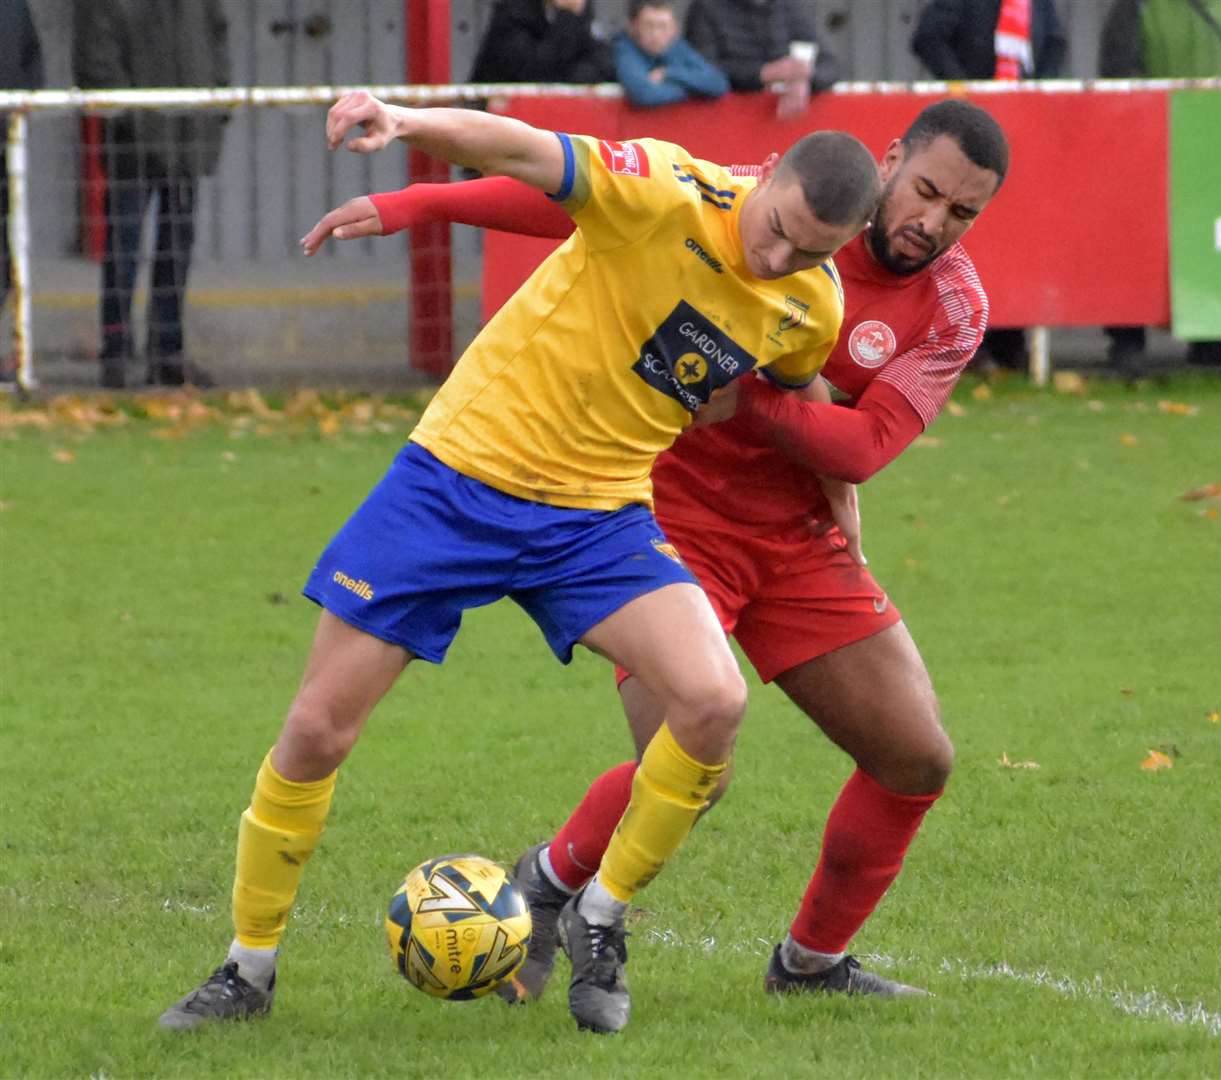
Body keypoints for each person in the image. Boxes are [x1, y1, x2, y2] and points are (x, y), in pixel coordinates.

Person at [160, 93, 880, 1035]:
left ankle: (597, 914)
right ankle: (245, 973)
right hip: (454, 484)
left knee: (714, 703)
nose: (780, 258)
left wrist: (843, 510)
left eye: (812, 251)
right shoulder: (662, 189)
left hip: (597, 517)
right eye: (779, 229)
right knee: (315, 733)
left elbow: (785, 392)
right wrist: (407, 121)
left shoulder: (808, 304)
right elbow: (526, 151)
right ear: (768, 171)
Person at [303, 99, 1009, 1005]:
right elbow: (570, 198)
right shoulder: (767, 199)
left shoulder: (953, 305)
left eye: (961, 213)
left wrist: (747, 402)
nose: (931, 223)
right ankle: (549, 886)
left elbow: (867, 448)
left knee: (918, 758)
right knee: (691, 759)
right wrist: (422, 206)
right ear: (889, 160)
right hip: (661, 516)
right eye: (924, 193)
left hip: (796, 539)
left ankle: (809, 965)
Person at [71, 0, 230, 390]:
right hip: (133, 142)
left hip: (188, 135)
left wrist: (216, 106)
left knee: (176, 249)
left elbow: (218, 42)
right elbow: (94, 60)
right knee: (123, 249)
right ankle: (117, 353)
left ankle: (167, 353)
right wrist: (135, 119)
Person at [911, 0, 1064, 373]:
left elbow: (1057, 41)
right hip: (971, 136)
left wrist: (1035, 93)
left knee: (1019, 236)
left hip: (1024, 133)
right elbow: (927, 38)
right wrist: (968, 93)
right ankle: (969, 342)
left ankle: (1010, 342)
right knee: (967, 234)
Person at [1100, 0, 1221, 373]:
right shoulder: (1134, 8)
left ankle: (1208, 335)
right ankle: (1128, 338)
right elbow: (1120, 78)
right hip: (1145, 147)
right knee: (1136, 243)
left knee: (1205, 239)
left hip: (1207, 150)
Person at [683, 0, 843, 120]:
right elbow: (701, 71)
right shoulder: (706, 7)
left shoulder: (787, 7)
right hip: (727, 121)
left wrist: (804, 78)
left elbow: (830, 65)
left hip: (785, 123)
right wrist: (762, 73)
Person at [0, 0, 44, 339]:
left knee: (6, 243)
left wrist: (20, 107)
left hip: (5, 140)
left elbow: (32, 59)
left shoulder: (14, 7)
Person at [613, 0, 730, 108]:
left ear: (674, 30)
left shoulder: (677, 46)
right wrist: (696, 88)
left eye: (662, 26)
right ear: (633, 27)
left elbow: (718, 83)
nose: (655, 34)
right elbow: (645, 94)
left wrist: (669, 73)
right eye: (648, 25)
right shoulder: (625, 48)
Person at [470, 0, 615, 85]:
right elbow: (535, 71)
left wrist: (570, 77)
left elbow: (604, 64)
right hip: (500, 120)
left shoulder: (580, 8)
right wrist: (567, 16)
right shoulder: (513, 12)